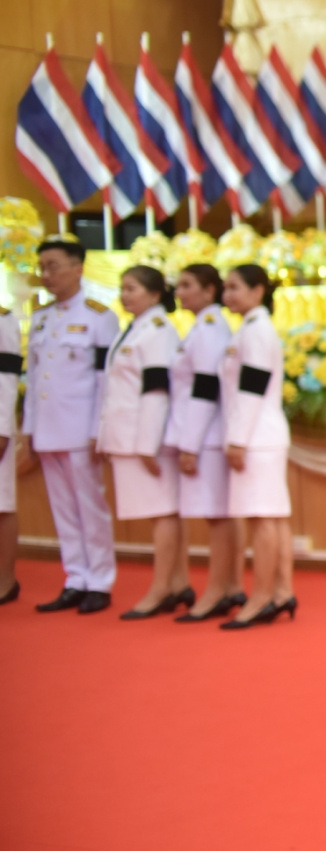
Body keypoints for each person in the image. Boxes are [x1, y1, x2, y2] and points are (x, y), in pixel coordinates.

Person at [23, 238, 120, 614]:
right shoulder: (41, 318)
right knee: (62, 509)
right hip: (48, 428)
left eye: (53, 266)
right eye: (42, 267)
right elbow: (35, 381)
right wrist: (30, 429)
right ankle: (75, 578)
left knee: (90, 506)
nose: (46, 275)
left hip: (81, 429)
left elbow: (104, 381)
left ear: (77, 268)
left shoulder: (98, 316)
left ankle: (100, 581)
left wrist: (99, 429)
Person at [96, 265, 193, 619]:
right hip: (128, 436)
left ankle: (161, 587)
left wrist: (148, 444)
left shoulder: (157, 331)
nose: (124, 295)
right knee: (160, 512)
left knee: (162, 511)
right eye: (122, 288)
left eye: (132, 288)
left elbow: (156, 390)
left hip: (145, 438)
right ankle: (178, 583)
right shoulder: (136, 328)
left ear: (154, 294)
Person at [168, 264, 245, 623]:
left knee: (217, 518)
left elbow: (205, 388)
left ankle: (217, 591)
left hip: (207, 436)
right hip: (206, 434)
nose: (179, 292)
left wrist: (190, 444)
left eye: (187, 285)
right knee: (221, 516)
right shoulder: (203, 327)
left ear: (209, 290)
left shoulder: (210, 328)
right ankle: (230, 586)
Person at [219, 264, 295, 631]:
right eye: (225, 288)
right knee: (272, 518)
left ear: (257, 291)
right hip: (259, 434)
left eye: (234, 287)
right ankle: (281, 591)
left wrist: (237, 439)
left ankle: (262, 596)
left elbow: (252, 388)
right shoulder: (250, 328)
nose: (227, 295)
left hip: (256, 436)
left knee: (263, 519)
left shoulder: (257, 331)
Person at [0, 301, 20, 605]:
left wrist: (3, 427)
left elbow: (7, 376)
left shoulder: (3, 320)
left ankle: (5, 580)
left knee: (1, 503)